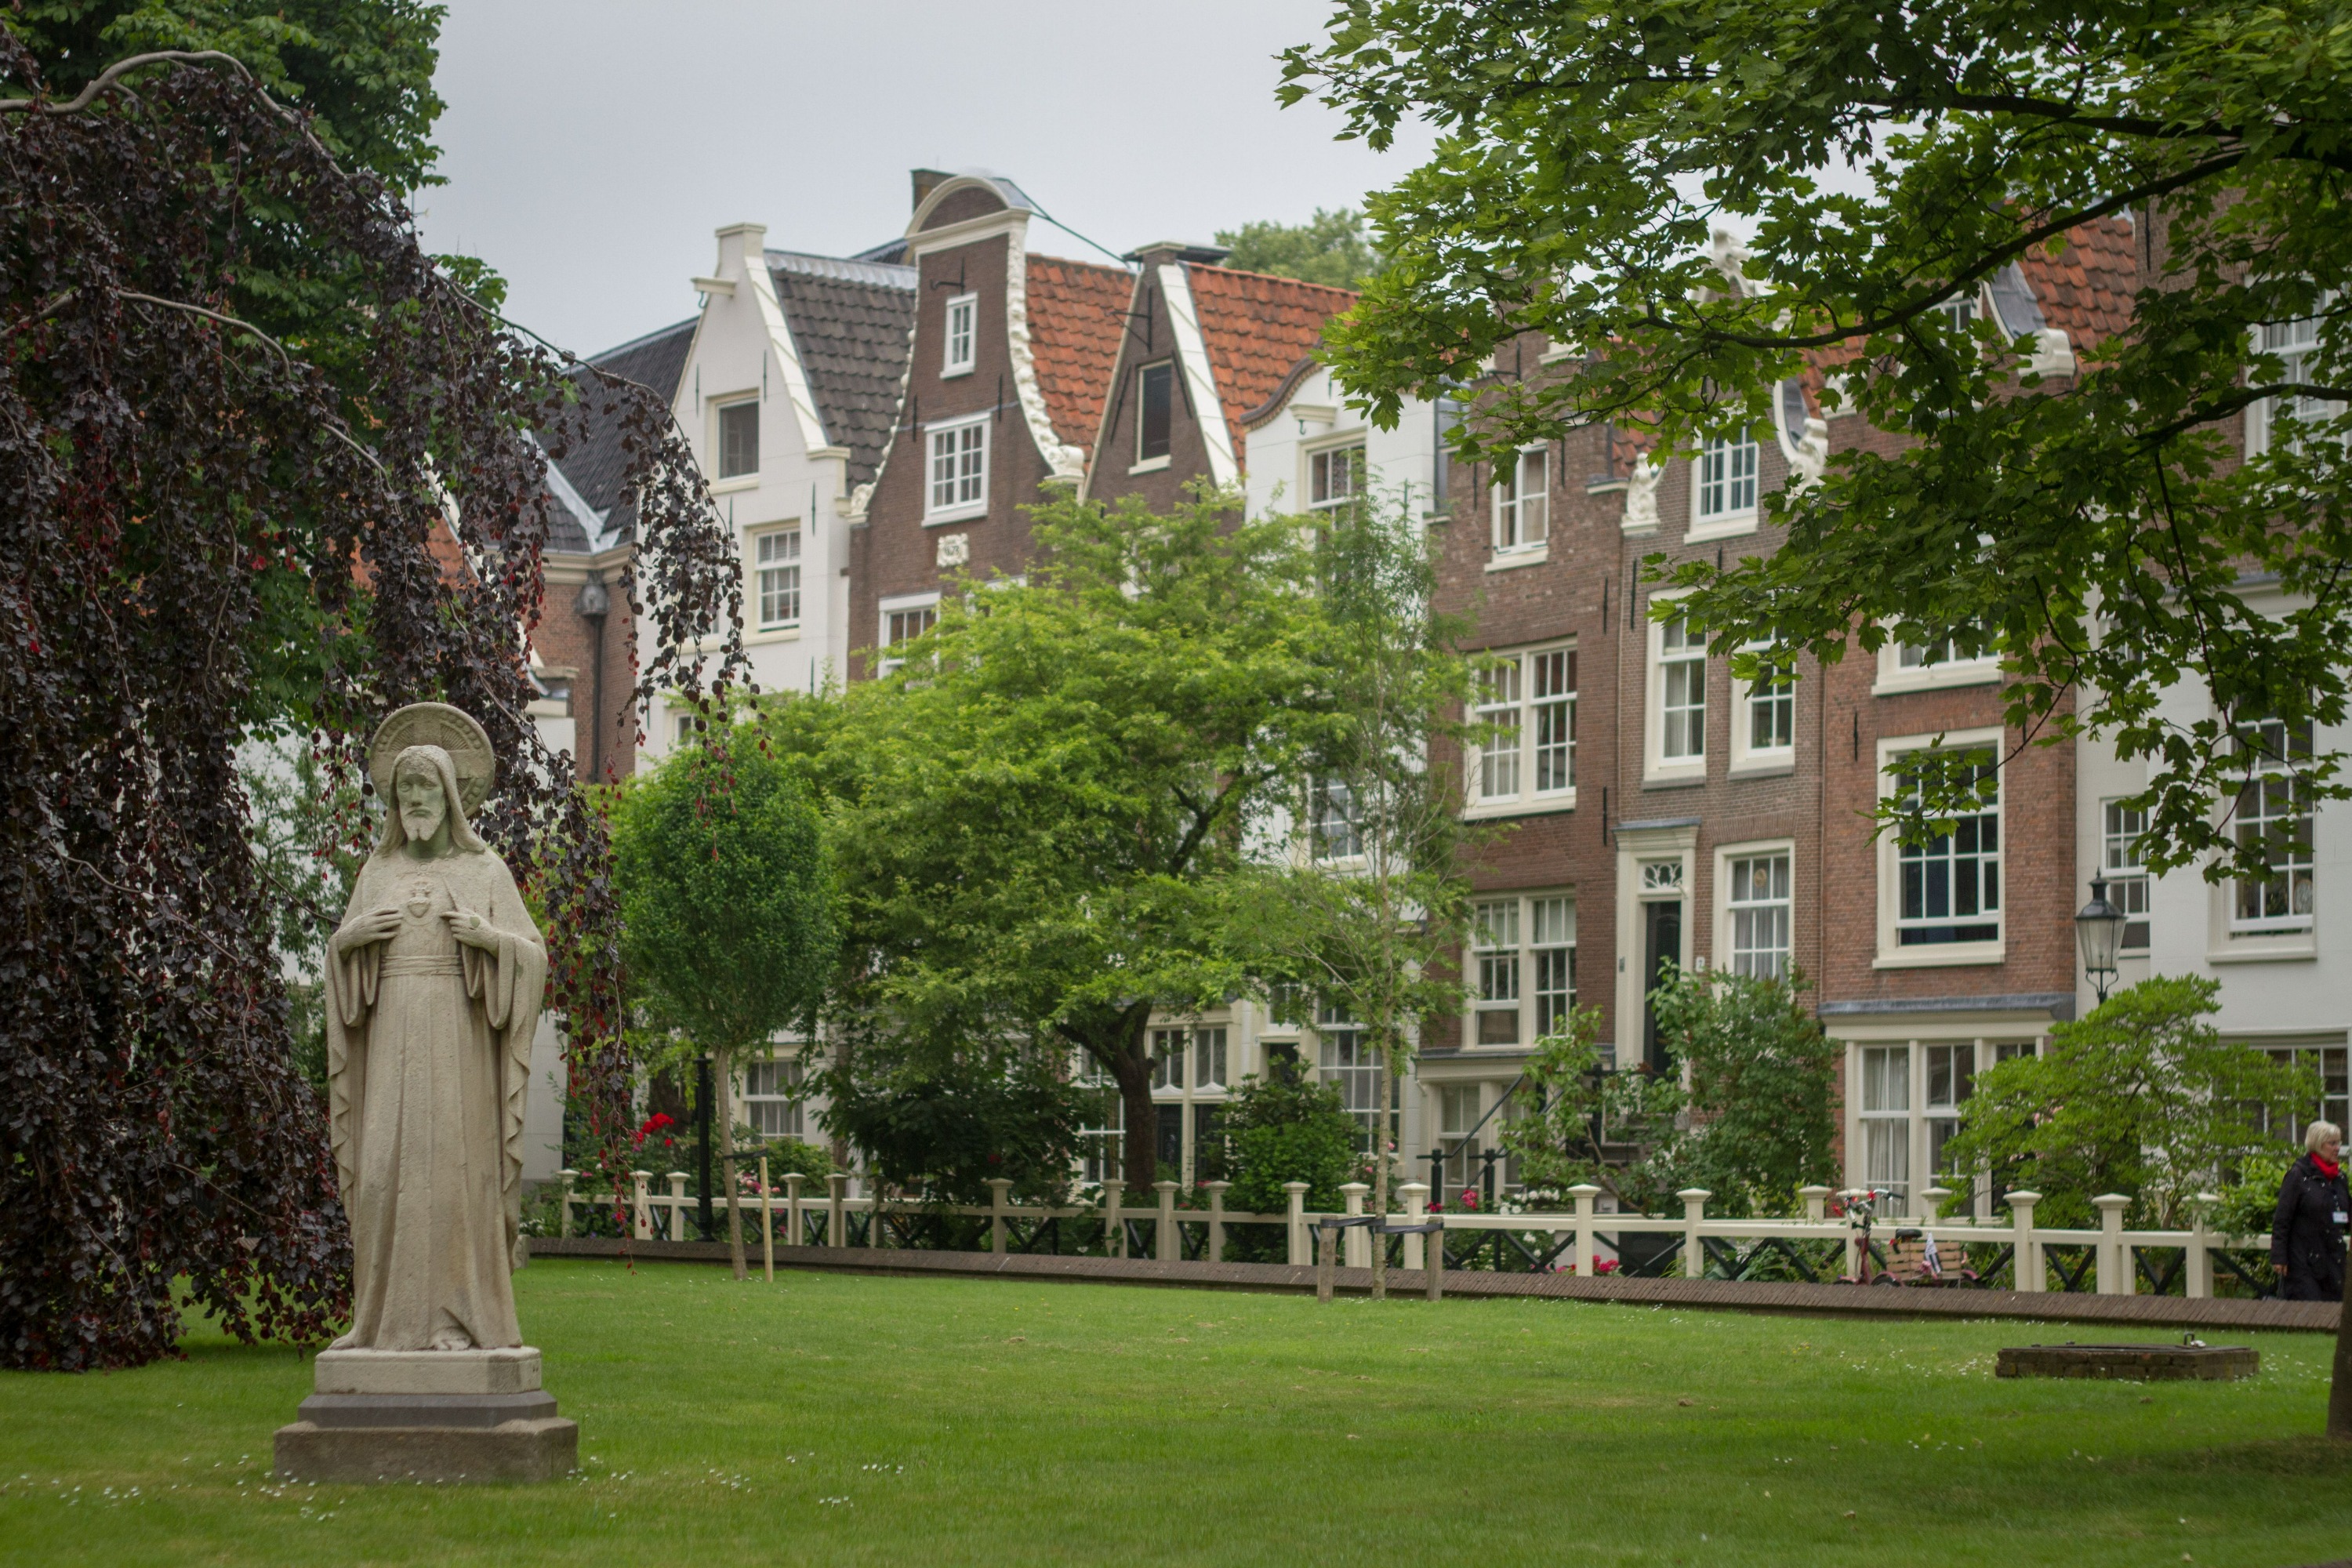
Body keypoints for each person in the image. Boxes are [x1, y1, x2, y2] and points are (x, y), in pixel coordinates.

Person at [326, 710, 546, 1352]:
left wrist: (490, 940)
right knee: (381, 1177)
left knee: (454, 1178)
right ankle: (376, 1323)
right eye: (405, 793)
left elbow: (533, 955)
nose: (415, 802)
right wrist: (351, 941)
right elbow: (344, 967)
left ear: (450, 798)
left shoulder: (485, 873)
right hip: (391, 1040)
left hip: (458, 1048)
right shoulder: (375, 873)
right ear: (394, 802)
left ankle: (459, 1321)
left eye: (426, 791)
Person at [2270, 1120, 2348, 1302]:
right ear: (2318, 1145)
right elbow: (2282, 1219)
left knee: (2334, 1311)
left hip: (2333, 1257)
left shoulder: (2339, 1178)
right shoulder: (2298, 1176)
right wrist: (2279, 1257)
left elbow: (2347, 1212)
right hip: (2303, 1260)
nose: (2338, 1148)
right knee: (2309, 1308)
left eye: (2339, 1143)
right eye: (2332, 1143)